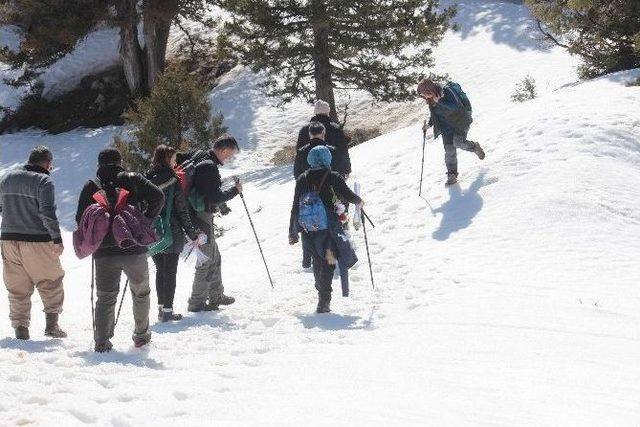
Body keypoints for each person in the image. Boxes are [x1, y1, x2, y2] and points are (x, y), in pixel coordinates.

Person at [76, 148, 164, 352]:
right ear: (120, 162)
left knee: (105, 296)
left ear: (99, 165)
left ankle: (102, 341)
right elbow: (158, 197)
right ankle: (141, 336)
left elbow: (80, 218)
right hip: (133, 248)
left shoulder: (91, 186)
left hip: (104, 252)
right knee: (141, 292)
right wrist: (146, 220)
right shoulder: (133, 178)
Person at [0, 146, 67, 340]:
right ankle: (52, 326)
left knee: (17, 288)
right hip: (37, 240)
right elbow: (47, 212)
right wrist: (57, 238)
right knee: (51, 281)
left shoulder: (6, 178)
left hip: (8, 240)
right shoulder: (44, 181)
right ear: (47, 163)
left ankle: (21, 330)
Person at [289, 146, 363, 313]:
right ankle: (323, 302)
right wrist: (359, 200)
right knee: (329, 262)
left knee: (317, 260)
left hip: (308, 229)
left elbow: (295, 206)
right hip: (328, 229)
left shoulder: (302, 178)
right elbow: (347, 194)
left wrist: (292, 231)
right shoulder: (332, 176)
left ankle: (320, 287)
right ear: (326, 158)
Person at [181, 134, 243, 313]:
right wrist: (235, 191)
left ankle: (216, 295)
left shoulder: (201, 157)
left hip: (198, 215)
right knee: (206, 259)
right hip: (200, 218)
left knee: (214, 257)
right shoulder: (208, 166)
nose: (229, 158)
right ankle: (196, 302)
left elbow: (208, 190)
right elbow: (214, 197)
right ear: (223, 150)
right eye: (229, 154)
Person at [146, 145, 204, 322]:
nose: (175, 162)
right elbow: (182, 210)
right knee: (170, 271)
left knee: (160, 270)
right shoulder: (173, 180)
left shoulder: (147, 178)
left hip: (152, 232)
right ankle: (168, 311)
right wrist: (192, 234)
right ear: (166, 159)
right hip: (171, 231)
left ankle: (161, 308)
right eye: (172, 159)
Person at [417, 78, 486, 186]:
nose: (424, 97)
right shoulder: (431, 99)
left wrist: (440, 101)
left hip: (460, 122)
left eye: (424, 94)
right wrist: (429, 125)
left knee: (459, 143)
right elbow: (435, 113)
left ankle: (474, 146)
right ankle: (452, 175)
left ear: (429, 91)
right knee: (449, 151)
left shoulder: (447, 91)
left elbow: (456, 107)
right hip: (446, 127)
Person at [294, 100, 351, 179]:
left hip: (309, 174)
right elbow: (343, 150)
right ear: (327, 112)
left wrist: (298, 176)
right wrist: (347, 169)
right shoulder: (335, 128)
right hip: (333, 172)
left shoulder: (304, 130)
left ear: (315, 112)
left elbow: (299, 153)